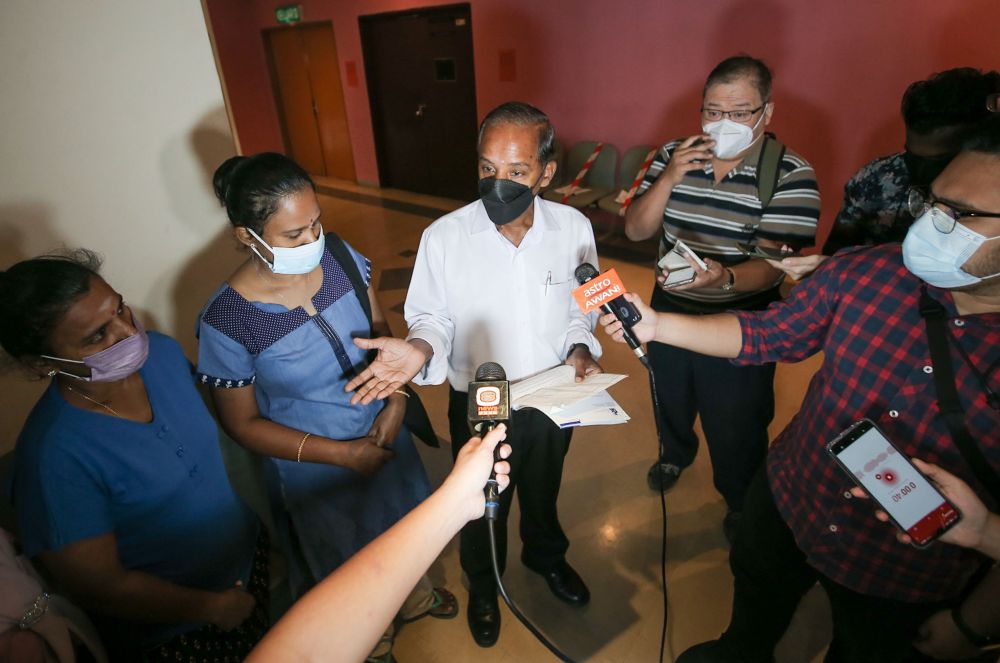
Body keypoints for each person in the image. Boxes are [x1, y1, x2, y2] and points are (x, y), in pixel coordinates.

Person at [600, 116, 1000, 662]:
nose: (930, 225)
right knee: (754, 610)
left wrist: (979, 583)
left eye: (959, 215)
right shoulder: (868, 273)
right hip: (791, 500)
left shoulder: (787, 175)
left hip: (906, 571)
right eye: (931, 205)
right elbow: (769, 333)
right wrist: (654, 326)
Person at [345, 101, 603, 648]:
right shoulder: (445, 236)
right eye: (488, 168)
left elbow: (586, 303)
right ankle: (485, 584)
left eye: (516, 171)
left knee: (543, 489)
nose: (498, 182)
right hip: (483, 401)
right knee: (481, 501)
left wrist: (582, 345)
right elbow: (432, 318)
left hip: (556, 393)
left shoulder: (574, 228)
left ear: (547, 173)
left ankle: (545, 558)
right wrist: (418, 347)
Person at [197, 153, 453, 662]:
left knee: (405, 524)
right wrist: (343, 456)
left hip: (386, 427)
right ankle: (372, 641)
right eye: (294, 235)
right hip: (316, 466)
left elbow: (381, 334)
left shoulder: (337, 254)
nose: (313, 241)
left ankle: (418, 596)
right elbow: (242, 423)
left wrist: (396, 404)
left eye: (316, 223)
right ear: (249, 237)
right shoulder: (227, 320)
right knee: (349, 560)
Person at [2, 251, 267, 661]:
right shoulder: (55, 459)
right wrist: (209, 607)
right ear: (43, 364)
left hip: (246, 568)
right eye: (97, 336)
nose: (128, 332)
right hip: (182, 628)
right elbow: (102, 588)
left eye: (120, 308)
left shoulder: (159, 354)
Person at [623, 55, 821, 541]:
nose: (723, 124)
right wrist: (669, 176)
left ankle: (740, 499)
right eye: (713, 111)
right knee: (668, 393)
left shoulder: (791, 175)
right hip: (665, 306)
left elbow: (774, 266)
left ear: (766, 113)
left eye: (739, 112)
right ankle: (675, 453)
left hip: (741, 320)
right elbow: (635, 229)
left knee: (737, 420)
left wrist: (723, 280)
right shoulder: (674, 153)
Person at [248, 425, 512, 663]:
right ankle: (377, 647)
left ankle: (415, 603)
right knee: (340, 542)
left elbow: (304, 650)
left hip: (383, 443)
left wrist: (459, 500)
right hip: (312, 465)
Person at [775, 67, 1000, 282]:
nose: (919, 172)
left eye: (938, 161)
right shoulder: (874, 180)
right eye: (913, 156)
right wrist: (825, 268)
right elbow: (835, 255)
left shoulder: (989, 204)